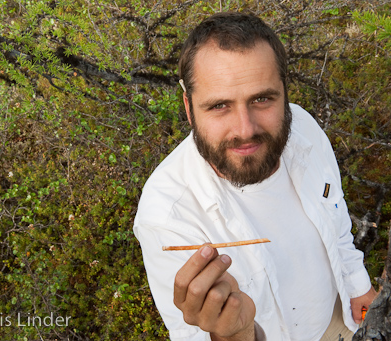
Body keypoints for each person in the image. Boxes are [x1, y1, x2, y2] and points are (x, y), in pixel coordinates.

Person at [133, 12, 377, 341]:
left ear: (284, 92)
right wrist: (235, 334)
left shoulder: (303, 128)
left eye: (262, 99)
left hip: (342, 321)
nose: (245, 129)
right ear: (189, 108)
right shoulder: (166, 216)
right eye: (219, 105)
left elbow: (335, 216)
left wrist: (359, 287)